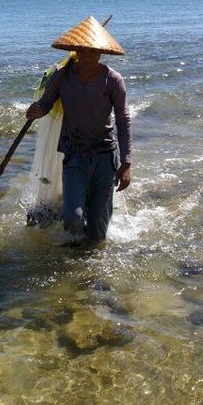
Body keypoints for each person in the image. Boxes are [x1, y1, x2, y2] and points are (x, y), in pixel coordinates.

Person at [26, 16, 132, 244]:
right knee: (72, 218)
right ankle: (73, 253)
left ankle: (88, 262)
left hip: (105, 157)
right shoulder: (62, 76)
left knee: (98, 231)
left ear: (101, 53)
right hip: (75, 155)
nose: (87, 56)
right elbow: (46, 103)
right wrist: (37, 110)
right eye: (82, 50)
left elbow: (123, 120)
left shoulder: (112, 80)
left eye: (93, 51)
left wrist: (126, 163)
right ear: (75, 50)